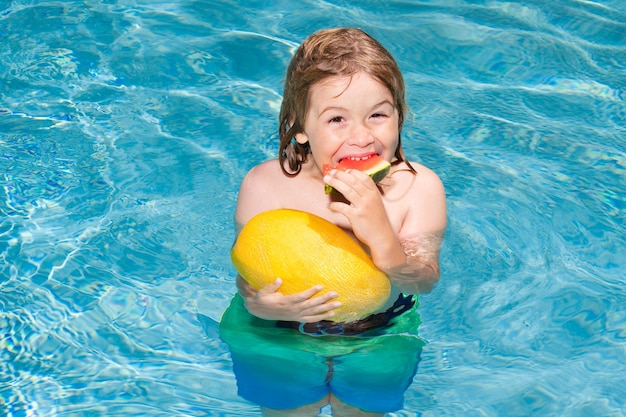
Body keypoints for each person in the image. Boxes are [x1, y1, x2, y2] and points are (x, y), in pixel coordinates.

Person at [219, 27, 447, 416]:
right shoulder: (265, 185)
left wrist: (383, 240)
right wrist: (261, 306)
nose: (361, 136)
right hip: (279, 331)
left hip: (379, 329)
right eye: (337, 119)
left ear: (399, 115)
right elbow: (248, 268)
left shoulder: (418, 188)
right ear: (301, 127)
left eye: (378, 114)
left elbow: (423, 280)